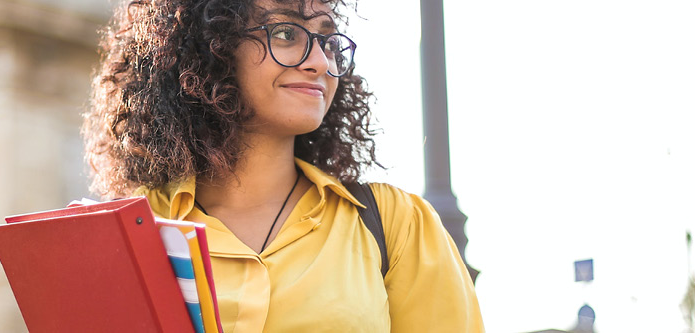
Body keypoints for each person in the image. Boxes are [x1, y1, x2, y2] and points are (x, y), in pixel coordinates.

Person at [82, 0, 484, 331]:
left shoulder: (395, 224)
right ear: (211, 47)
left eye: (328, 41)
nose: (320, 63)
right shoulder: (130, 230)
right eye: (286, 33)